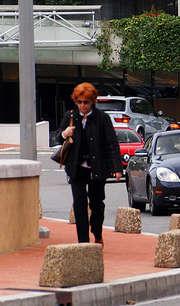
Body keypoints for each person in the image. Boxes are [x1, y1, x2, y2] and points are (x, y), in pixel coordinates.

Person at [56, 82, 123, 247]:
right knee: (79, 205)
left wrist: (117, 168)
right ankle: (83, 243)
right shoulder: (70, 116)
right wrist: (64, 134)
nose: (82, 105)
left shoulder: (102, 118)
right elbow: (58, 136)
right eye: (79, 102)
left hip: (97, 168)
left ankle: (97, 232)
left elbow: (111, 143)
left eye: (86, 102)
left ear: (93, 101)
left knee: (97, 205)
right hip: (76, 168)